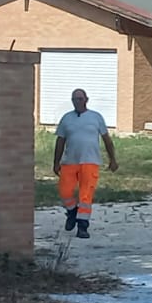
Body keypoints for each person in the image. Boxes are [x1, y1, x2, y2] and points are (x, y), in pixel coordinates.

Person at [53, 89, 119, 239]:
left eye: (80, 99)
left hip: (90, 161)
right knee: (65, 192)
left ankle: (82, 227)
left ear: (86, 100)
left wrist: (112, 159)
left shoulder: (96, 117)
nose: (77, 102)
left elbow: (107, 140)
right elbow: (60, 141)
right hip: (69, 161)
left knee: (85, 195)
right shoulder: (66, 118)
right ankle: (71, 212)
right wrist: (56, 162)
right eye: (74, 99)